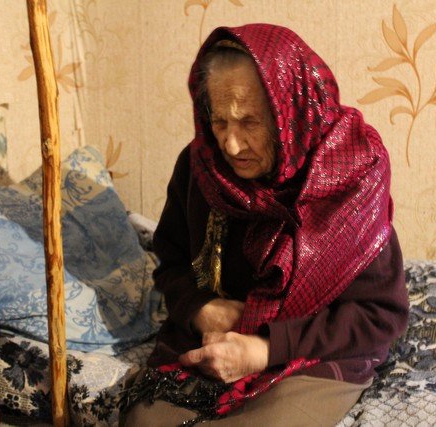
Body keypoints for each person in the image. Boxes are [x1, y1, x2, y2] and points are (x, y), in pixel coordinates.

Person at [120, 23, 409, 426]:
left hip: (310, 352)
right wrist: (201, 309)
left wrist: (263, 350)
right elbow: (172, 262)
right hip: (212, 341)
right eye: (219, 121)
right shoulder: (201, 167)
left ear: (292, 112)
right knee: (146, 421)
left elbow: (379, 314)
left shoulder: (348, 178)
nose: (231, 144)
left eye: (250, 122)